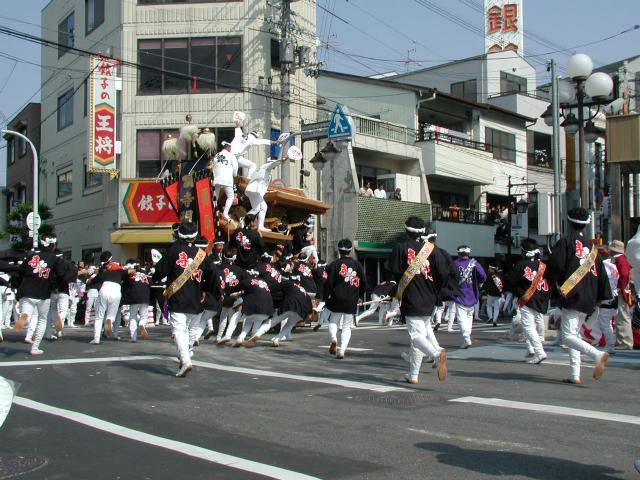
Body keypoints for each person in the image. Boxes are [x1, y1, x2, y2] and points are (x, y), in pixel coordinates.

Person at [545, 207, 612, 384]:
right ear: (585, 225)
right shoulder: (593, 247)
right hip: (589, 296)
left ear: (568, 222)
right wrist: (600, 297)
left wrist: (552, 287)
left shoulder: (565, 242)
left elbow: (555, 266)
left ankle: (597, 355)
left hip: (572, 295)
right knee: (574, 334)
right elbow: (602, 275)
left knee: (567, 337)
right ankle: (575, 374)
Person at [389, 217, 448, 384]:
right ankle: (413, 375)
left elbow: (394, 274)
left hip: (412, 297)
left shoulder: (401, 248)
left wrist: (393, 291)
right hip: (429, 297)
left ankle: (436, 354)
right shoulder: (431, 249)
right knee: (418, 338)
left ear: (406, 231)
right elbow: (443, 273)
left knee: (415, 336)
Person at [153, 222, 211, 377]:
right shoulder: (202, 254)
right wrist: (206, 291)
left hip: (178, 297)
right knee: (189, 330)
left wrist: (155, 277)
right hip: (196, 298)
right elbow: (212, 274)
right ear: (195, 235)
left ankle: (185, 361)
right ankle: (187, 354)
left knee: (179, 330)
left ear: (179, 234)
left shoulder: (173, 250)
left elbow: (160, 270)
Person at [13, 234, 65, 355]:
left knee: (28, 313)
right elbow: (61, 274)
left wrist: (16, 286)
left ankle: (25, 317)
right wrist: (54, 285)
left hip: (27, 290)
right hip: (43, 292)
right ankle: (35, 348)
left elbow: (19, 272)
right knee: (42, 319)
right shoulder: (55, 259)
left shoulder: (31, 256)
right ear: (53, 245)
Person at [506, 238, 550, 364]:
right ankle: (531, 347)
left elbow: (510, 280)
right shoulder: (544, 266)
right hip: (541, 299)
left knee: (529, 326)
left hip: (527, 299)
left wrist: (516, 291)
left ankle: (539, 352)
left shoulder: (521, 265)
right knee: (537, 323)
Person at [323, 239, 365, 359]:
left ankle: (334, 339)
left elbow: (328, 283)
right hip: (352, 298)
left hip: (336, 298)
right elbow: (363, 282)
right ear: (350, 250)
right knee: (347, 326)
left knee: (333, 321)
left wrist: (326, 297)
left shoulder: (334, 264)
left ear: (339, 250)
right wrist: (360, 296)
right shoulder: (357, 265)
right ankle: (342, 350)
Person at [91, 252, 130, 345]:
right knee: (111, 316)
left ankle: (96, 339)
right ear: (111, 260)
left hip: (105, 289)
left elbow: (91, 281)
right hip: (116, 291)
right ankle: (109, 320)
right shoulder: (120, 270)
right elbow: (129, 273)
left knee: (99, 317)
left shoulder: (102, 272)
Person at [452, 245, 486, 348]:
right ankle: (467, 337)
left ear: (458, 253)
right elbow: (483, 276)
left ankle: (466, 338)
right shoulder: (474, 263)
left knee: (461, 318)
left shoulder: (454, 264)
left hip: (460, 294)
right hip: (472, 294)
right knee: (469, 317)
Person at [245, 157, 288, 232]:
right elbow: (273, 164)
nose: (274, 167)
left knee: (261, 207)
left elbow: (263, 185)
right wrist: (282, 160)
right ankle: (244, 221)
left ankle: (258, 226)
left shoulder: (268, 172)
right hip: (254, 190)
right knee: (259, 208)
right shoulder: (265, 167)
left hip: (255, 191)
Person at [609, 239, 634, 350]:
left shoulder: (619, 260)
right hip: (624, 291)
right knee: (622, 316)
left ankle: (625, 342)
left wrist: (620, 287)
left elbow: (623, 275)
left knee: (622, 316)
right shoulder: (622, 259)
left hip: (621, 291)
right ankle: (622, 340)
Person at [122, 260, 151, 343]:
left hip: (134, 297)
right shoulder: (145, 274)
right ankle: (142, 324)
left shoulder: (130, 274)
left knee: (133, 317)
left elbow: (125, 284)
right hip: (145, 296)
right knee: (144, 316)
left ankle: (133, 337)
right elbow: (150, 283)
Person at [213, 140, 239, 221]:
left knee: (215, 197)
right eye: (230, 147)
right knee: (230, 197)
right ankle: (225, 213)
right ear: (227, 147)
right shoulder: (231, 155)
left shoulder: (217, 155)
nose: (231, 148)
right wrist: (235, 175)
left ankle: (213, 211)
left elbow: (213, 166)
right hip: (227, 178)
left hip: (217, 178)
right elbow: (235, 168)